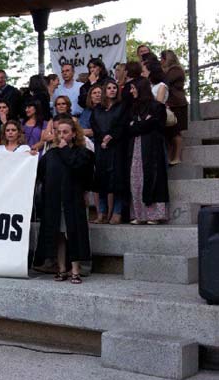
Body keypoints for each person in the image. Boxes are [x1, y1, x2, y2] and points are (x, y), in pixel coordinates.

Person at [33, 117, 94, 283]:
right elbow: (40, 173)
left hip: (72, 200)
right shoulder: (51, 154)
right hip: (54, 202)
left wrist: (66, 149)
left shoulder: (82, 152)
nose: (61, 135)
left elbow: (78, 167)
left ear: (74, 134)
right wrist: (30, 157)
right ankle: (61, 269)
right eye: (58, 132)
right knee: (58, 235)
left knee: (72, 233)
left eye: (65, 132)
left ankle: (75, 270)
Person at [128, 79, 169, 224]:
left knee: (152, 178)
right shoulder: (133, 107)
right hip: (136, 148)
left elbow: (158, 126)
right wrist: (145, 122)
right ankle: (140, 215)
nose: (131, 91)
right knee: (136, 178)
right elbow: (130, 128)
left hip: (152, 149)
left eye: (133, 88)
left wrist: (139, 124)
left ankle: (154, 216)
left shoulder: (157, 106)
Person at [90, 80, 127, 224]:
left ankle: (117, 212)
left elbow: (122, 124)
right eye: (109, 88)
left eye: (114, 88)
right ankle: (102, 213)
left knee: (117, 180)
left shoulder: (122, 107)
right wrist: (102, 139)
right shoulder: (98, 109)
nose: (112, 90)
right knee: (101, 180)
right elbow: (94, 125)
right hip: (101, 147)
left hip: (117, 147)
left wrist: (111, 137)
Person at [161, 49, 188, 165]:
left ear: (167, 59)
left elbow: (165, 81)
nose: (160, 61)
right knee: (170, 132)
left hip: (177, 104)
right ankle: (171, 156)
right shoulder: (172, 70)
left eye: (162, 58)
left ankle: (177, 156)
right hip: (172, 103)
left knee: (175, 132)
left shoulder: (175, 70)